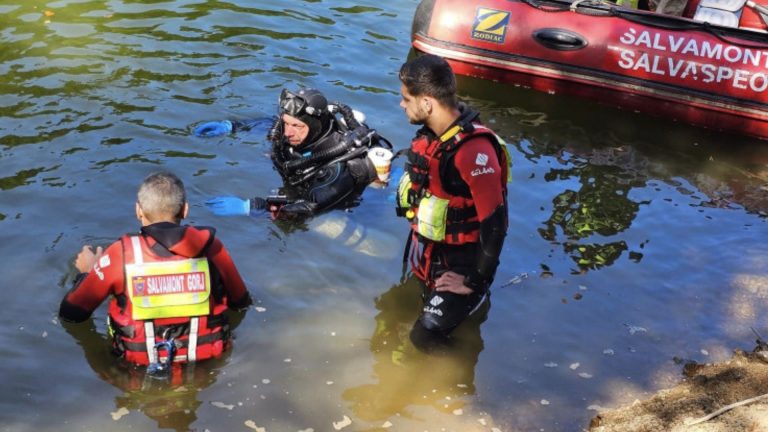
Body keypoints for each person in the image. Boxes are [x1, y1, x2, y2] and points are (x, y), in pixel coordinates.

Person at [59, 171, 252, 373]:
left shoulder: (121, 255)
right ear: (185, 210)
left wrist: (88, 273)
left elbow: (71, 314)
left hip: (136, 371)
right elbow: (241, 304)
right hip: (206, 367)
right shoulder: (212, 248)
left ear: (138, 211)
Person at [395, 54, 509, 349]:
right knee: (395, 311)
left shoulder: (472, 152)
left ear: (427, 103)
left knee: (424, 335)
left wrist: (472, 281)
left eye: (407, 99)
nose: (402, 105)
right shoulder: (434, 137)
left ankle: (462, 382)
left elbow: (495, 224)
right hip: (433, 257)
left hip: (464, 266)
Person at [197, 88, 390, 219]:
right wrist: (234, 126)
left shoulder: (337, 166)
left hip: (337, 205)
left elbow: (309, 207)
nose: (288, 132)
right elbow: (271, 124)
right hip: (296, 175)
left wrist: (254, 208)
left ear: (315, 127)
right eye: (286, 123)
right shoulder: (295, 130)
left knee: (325, 226)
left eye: (297, 126)